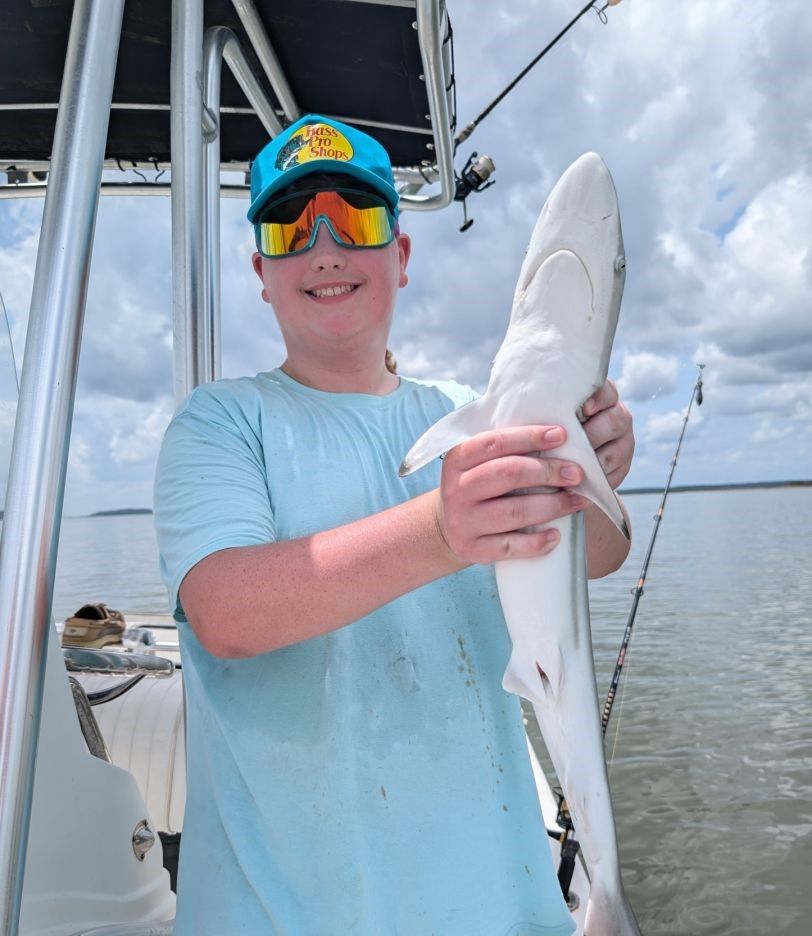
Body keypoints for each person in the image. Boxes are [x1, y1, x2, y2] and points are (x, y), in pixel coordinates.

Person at [154, 114, 634, 936]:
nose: (326, 247)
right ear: (261, 272)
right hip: (278, 913)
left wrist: (592, 476)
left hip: (498, 905)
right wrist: (442, 532)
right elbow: (224, 614)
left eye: (359, 219)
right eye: (291, 226)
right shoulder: (220, 423)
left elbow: (598, 557)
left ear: (401, 257)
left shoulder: (466, 416)